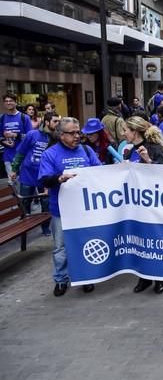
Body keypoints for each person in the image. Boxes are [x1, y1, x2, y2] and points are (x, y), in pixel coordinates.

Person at [38, 117, 101, 296]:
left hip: (85, 209)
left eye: (78, 132)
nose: (77, 136)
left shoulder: (87, 151)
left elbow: (99, 173)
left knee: (84, 244)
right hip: (61, 210)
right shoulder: (50, 154)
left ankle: (85, 277)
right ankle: (61, 279)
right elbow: (45, 180)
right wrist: (59, 178)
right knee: (61, 247)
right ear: (60, 135)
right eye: (72, 133)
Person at [122, 116, 163, 294]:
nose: (123, 133)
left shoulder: (155, 148)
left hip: (153, 203)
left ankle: (159, 277)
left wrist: (148, 160)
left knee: (155, 241)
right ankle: (144, 277)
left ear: (134, 131)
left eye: (126, 129)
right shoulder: (128, 150)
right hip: (135, 205)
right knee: (140, 242)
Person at [10, 111, 60, 236]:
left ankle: (45, 228)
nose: (58, 124)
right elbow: (21, 152)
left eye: (59, 121)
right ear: (47, 122)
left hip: (44, 176)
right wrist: (14, 169)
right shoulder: (32, 134)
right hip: (28, 174)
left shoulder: (57, 137)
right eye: (55, 121)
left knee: (46, 203)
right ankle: (23, 229)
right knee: (25, 203)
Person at [2, 93, 33, 184]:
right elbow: (0, 137)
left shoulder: (24, 118)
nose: (8, 103)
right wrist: (4, 142)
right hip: (8, 156)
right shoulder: (2, 118)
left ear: (16, 102)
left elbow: (30, 137)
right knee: (13, 183)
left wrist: (16, 135)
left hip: (23, 156)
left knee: (26, 183)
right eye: (6, 101)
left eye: (11, 101)